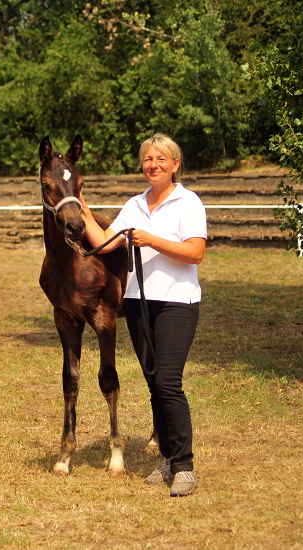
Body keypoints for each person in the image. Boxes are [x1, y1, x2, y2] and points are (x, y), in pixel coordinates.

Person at [79, 133, 206, 497]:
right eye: (148, 160)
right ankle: (167, 458)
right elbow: (103, 241)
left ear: (175, 164)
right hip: (137, 303)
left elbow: (194, 252)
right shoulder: (135, 204)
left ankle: (184, 466)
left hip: (177, 303)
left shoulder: (188, 202)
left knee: (168, 381)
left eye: (161, 160)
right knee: (154, 384)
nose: (154, 165)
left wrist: (151, 240)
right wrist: (80, 205)